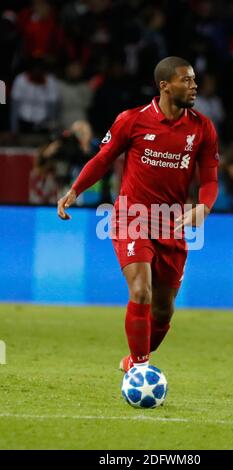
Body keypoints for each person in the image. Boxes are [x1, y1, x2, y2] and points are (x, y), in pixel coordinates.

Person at [57, 56, 219, 372]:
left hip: (171, 223)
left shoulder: (202, 128)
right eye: (186, 80)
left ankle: (134, 359)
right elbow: (103, 160)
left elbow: (210, 177)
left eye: (194, 80)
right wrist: (74, 191)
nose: (194, 86)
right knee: (141, 291)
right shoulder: (132, 120)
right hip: (131, 217)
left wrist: (204, 206)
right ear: (165, 86)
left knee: (163, 311)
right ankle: (141, 370)